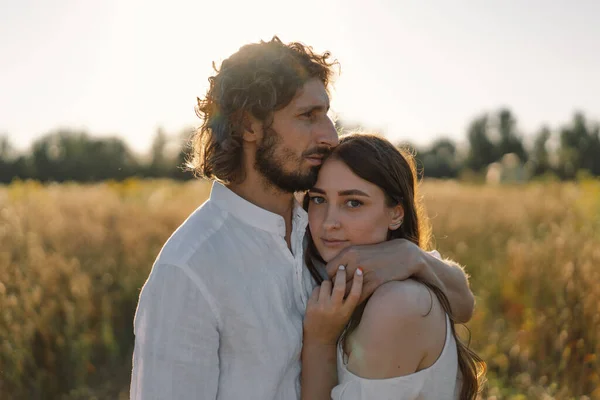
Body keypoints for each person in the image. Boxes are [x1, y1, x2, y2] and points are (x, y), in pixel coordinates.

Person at [130, 36, 475, 399]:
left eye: (327, 114)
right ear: (249, 126)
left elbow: (463, 304)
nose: (329, 135)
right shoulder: (188, 269)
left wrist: (412, 257)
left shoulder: (320, 230)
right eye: (307, 116)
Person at [300, 133, 486, 400]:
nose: (329, 222)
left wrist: (320, 342)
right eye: (319, 199)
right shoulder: (328, 270)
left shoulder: (397, 304)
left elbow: (465, 302)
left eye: (353, 202)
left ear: (396, 214)